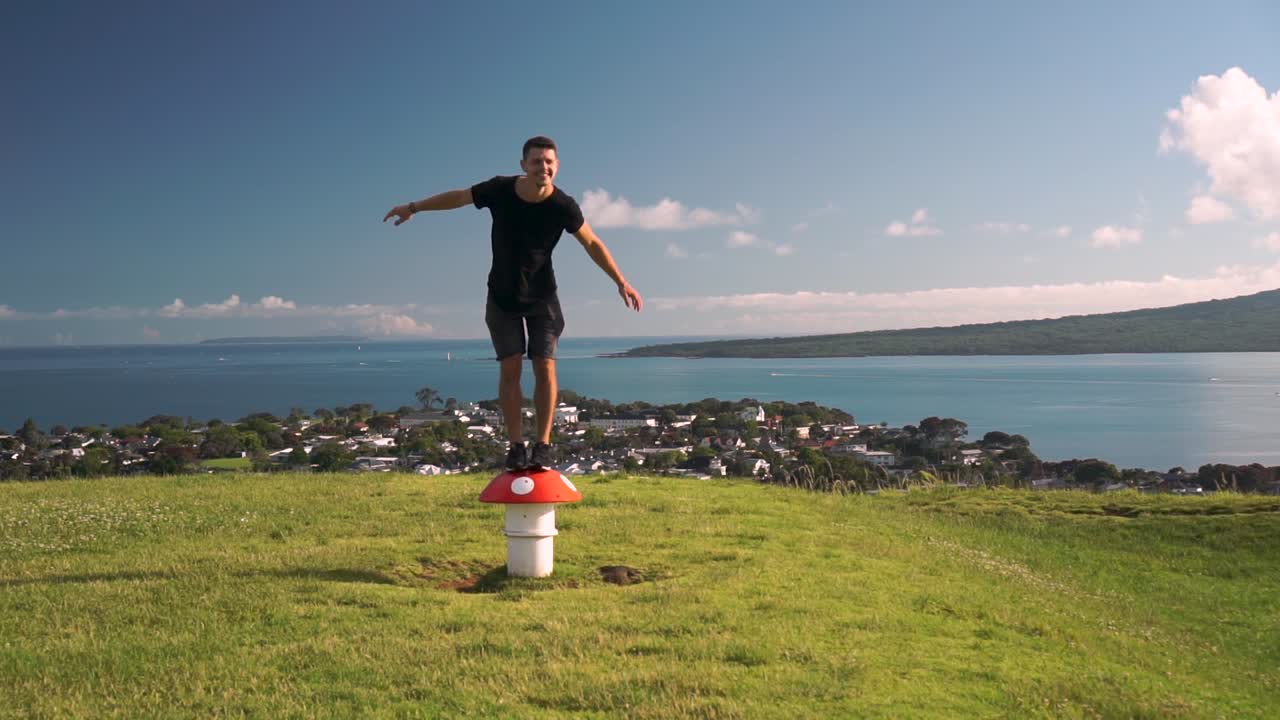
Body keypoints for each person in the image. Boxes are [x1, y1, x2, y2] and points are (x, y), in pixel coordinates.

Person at [383, 136, 642, 470]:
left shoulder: (563, 205)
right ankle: (517, 446)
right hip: (502, 297)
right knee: (511, 367)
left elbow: (591, 242)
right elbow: (459, 197)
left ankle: (543, 445)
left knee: (545, 365)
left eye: (549, 162)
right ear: (524, 165)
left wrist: (621, 281)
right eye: (536, 161)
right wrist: (414, 207)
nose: (543, 167)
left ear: (557, 166)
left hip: (542, 298)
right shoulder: (500, 189)